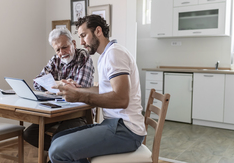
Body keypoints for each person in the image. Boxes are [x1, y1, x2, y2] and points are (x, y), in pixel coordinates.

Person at [48, 15, 147, 163]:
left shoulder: (114, 53)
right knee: (57, 137)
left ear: (98, 31)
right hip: (115, 124)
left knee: (57, 151)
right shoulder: (107, 54)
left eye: (83, 35)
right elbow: (104, 89)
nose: (81, 42)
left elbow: (121, 99)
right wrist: (78, 90)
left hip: (127, 130)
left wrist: (79, 97)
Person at [23, 28, 95, 151]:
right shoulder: (55, 60)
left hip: (79, 113)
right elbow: (37, 82)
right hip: (56, 111)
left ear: (73, 43)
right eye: (58, 50)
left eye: (64, 47)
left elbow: (78, 90)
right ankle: (62, 153)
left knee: (59, 138)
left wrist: (51, 86)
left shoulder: (83, 57)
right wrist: (60, 83)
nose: (62, 52)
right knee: (29, 134)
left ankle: (60, 152)